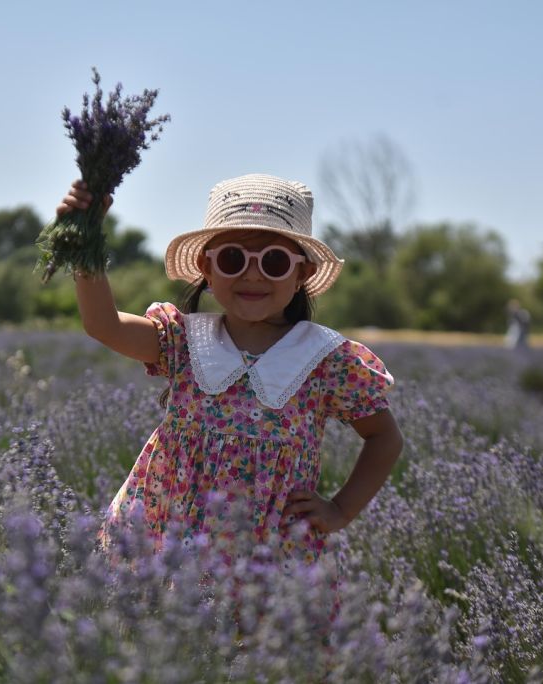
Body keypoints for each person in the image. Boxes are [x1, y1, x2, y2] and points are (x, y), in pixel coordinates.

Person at [57, 173, 403, 607]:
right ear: (205, 268)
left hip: (269, 554)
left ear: (303, 273)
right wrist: (84, 236)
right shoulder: (182, 340)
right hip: (171, 536)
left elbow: (384, 437)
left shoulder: (326, 359)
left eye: (274, 262)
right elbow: (102, 324)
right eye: (233, 259)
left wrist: (340, 510)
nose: (252, 275)